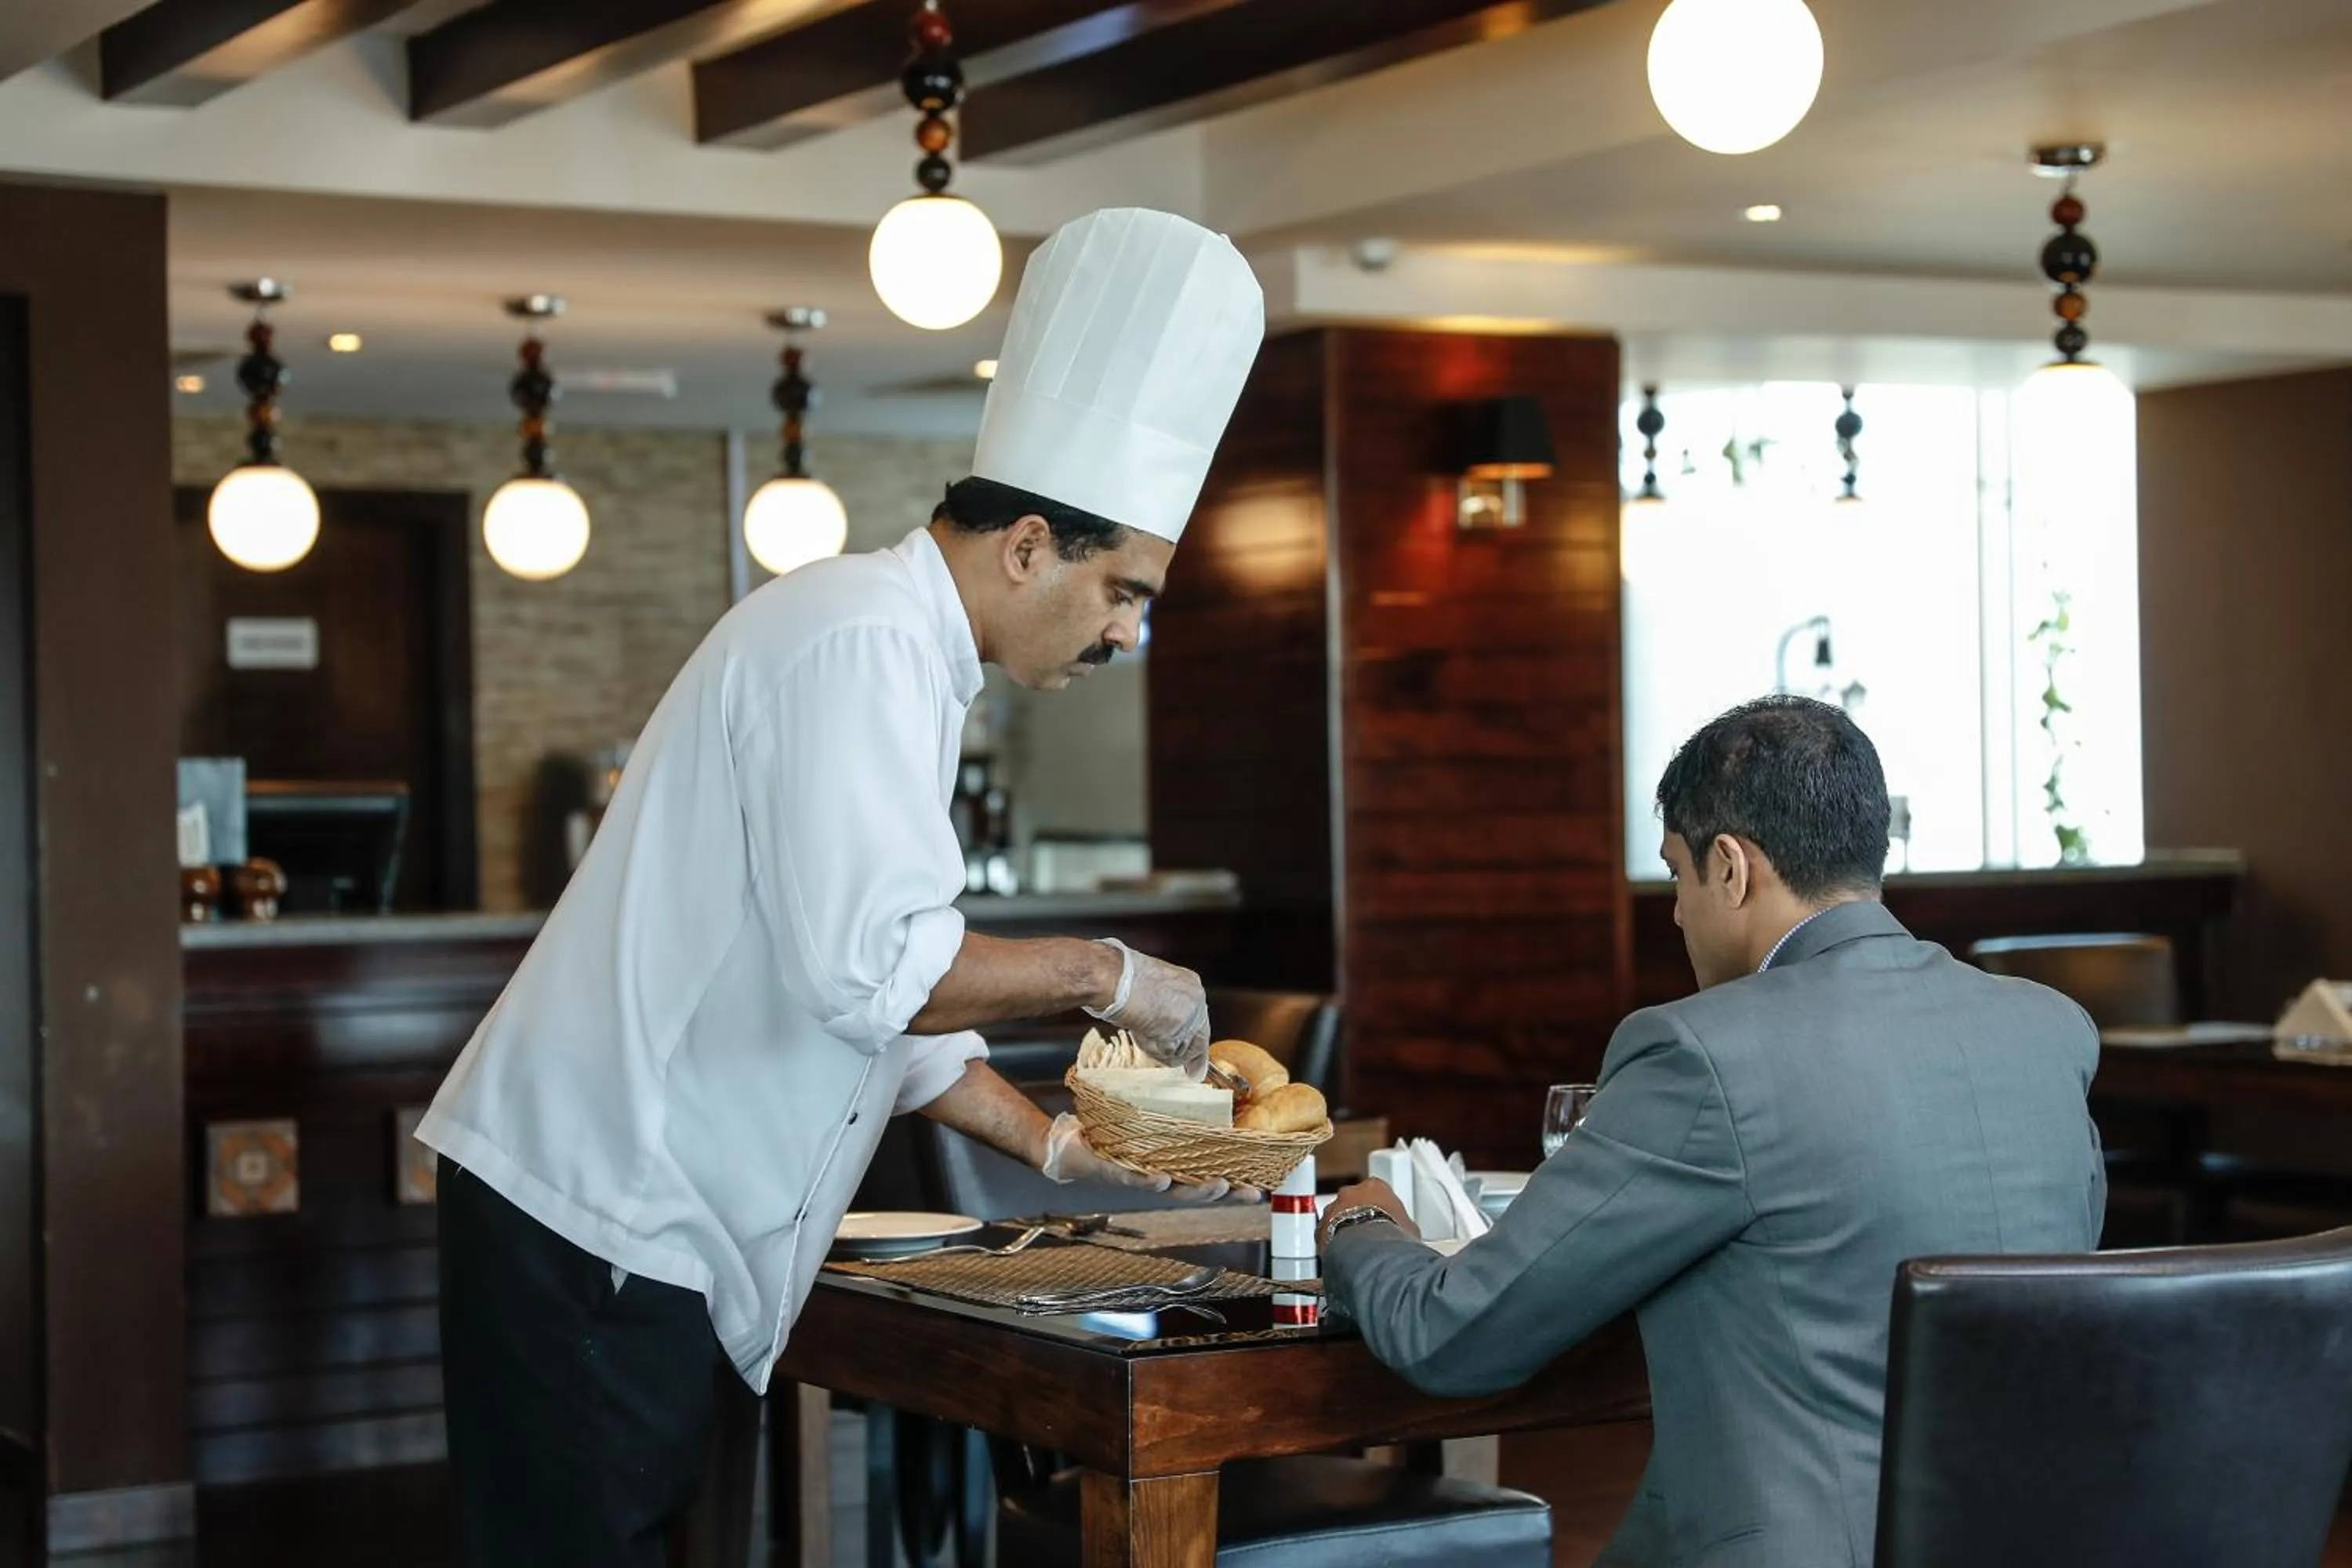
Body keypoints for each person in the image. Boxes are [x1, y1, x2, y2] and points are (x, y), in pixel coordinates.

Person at [416, 208, 1265, 1567]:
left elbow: (879, 1006)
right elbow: (881, 972)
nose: (1128, 630)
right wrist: (1110, 974)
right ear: (1027, 546)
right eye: (1124, 588)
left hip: (650, 1228)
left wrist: (1048, 1144)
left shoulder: (907, 658)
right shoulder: (859, 640)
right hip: (599, 1209)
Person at [1318, 695, 2106, 1567]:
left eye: (1676, 876)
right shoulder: (2049, 1029)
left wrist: (1361, 1222)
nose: (1676, 914)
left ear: (1730, 867)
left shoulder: (1702, 1050)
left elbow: (1455, 1334)